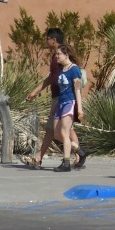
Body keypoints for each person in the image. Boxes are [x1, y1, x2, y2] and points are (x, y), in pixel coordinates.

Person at [22, 29, 75, 169]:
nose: (46, 42)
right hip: (58, 97)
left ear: (53, 40)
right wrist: (35, 91)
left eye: (47, 39)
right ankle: (39, 158)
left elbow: (67, 78)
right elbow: (51, 78)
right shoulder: (56, 57)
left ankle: (77, 152)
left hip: (62, 98)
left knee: (60, 131)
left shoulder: (60, 57)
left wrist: (62, 99)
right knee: (53, 130)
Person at [50, 42, 87, 172]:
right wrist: (55, 106)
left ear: (66, 55)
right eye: (56, 55)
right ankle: (80, 151)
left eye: (59, 54)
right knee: (57, 134)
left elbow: (78, 90)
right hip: (60, 103)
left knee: (65, 133)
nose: (57, 57)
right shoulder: (61, 70)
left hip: (69, 103)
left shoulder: (74, 70)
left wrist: (80, 109)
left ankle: (66, 163)